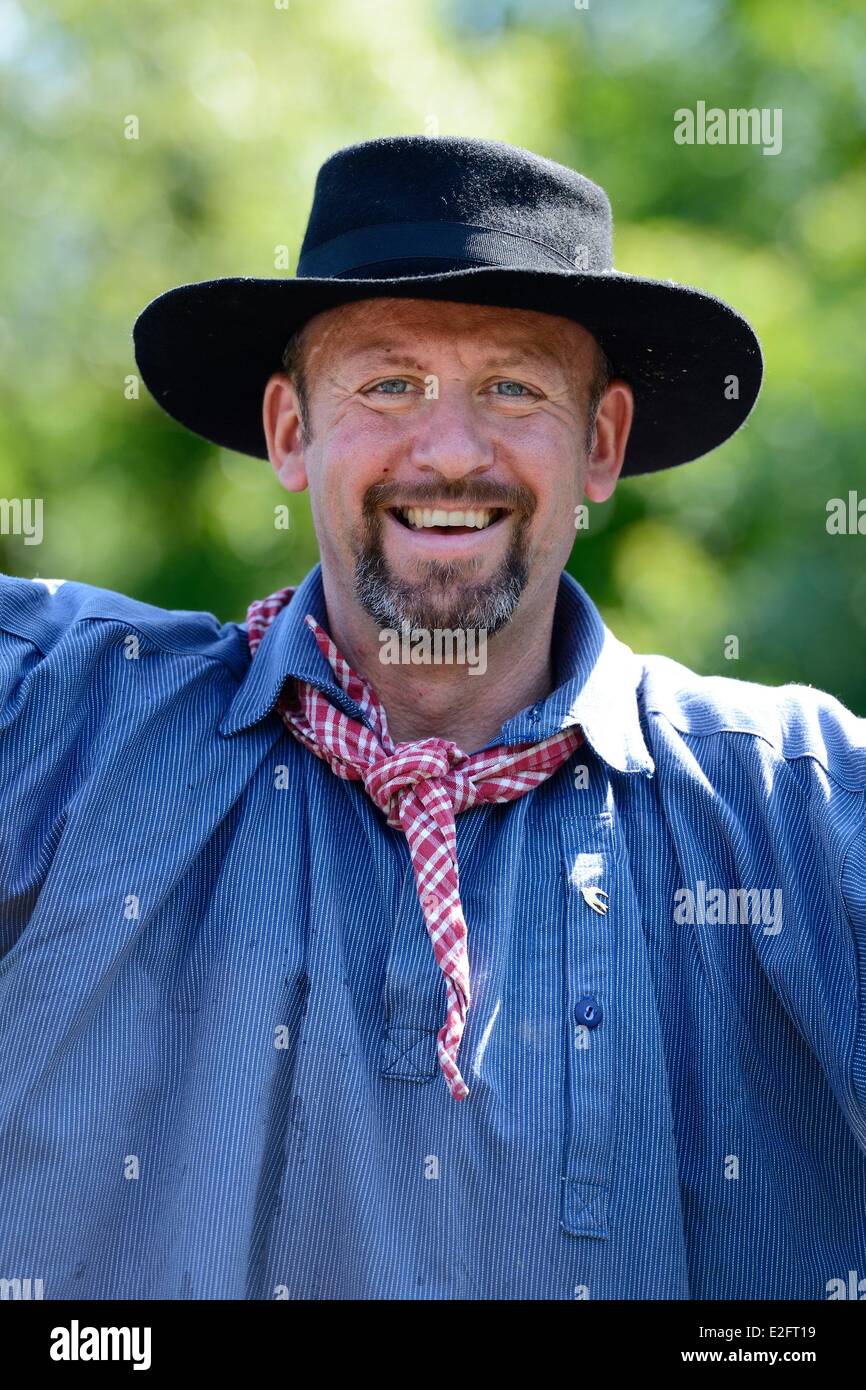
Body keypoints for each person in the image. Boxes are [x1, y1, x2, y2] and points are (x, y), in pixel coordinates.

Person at [0, 134, 864, 1302]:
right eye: (387, 382)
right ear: (291, 431)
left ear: (597, 444)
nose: (449, 449)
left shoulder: (799, 808)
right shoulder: (66, 723)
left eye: (512, 385)